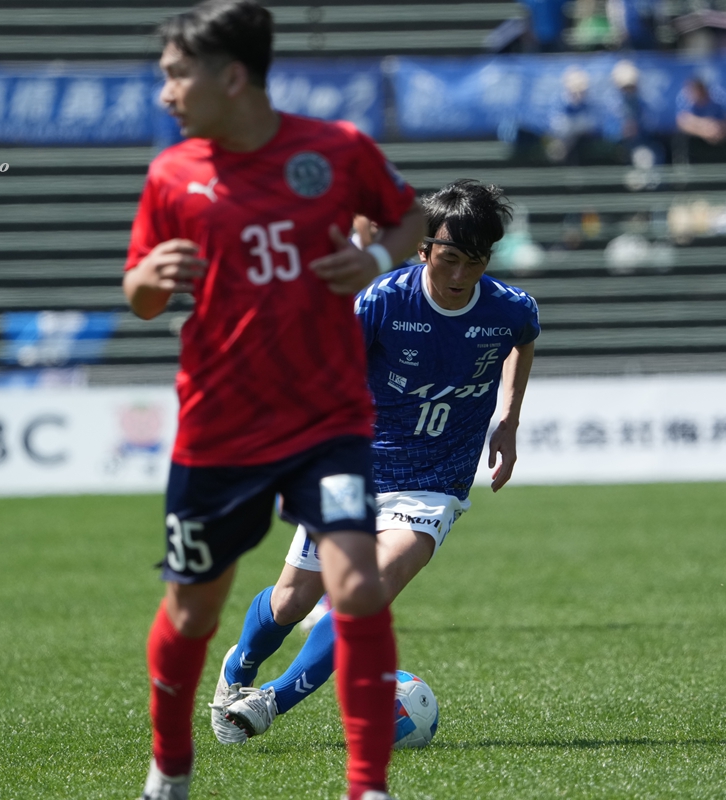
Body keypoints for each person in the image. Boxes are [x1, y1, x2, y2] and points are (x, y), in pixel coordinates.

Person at [122, 2, 425, 798]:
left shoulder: (337, 150)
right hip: (219, 427)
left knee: (356, 586)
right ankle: (170, 765)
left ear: (232, 77)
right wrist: (146, 281)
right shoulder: (171, 174)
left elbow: (410, 217)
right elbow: (142, 296)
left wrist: (378, 261)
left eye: (176, 74)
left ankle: (368, 786)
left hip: (328, 421)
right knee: (193, 613)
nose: (165, 92)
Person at [207, 180, 539, 747]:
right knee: (292, 601)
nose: (461, 275)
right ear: (424, 250)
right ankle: (239, 668)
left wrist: (507, 420)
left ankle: (271, 701)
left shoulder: (509, 308)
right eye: (450, 259)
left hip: (433, 485)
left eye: (476, 261)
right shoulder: (383, 302)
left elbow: (522, 340)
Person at [675, 77, 726, 164]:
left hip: (722, 141)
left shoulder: (718, 103)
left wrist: (719, 129)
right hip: (697, 144)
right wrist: (704, 129)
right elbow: (682, 122)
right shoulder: (688, 107)